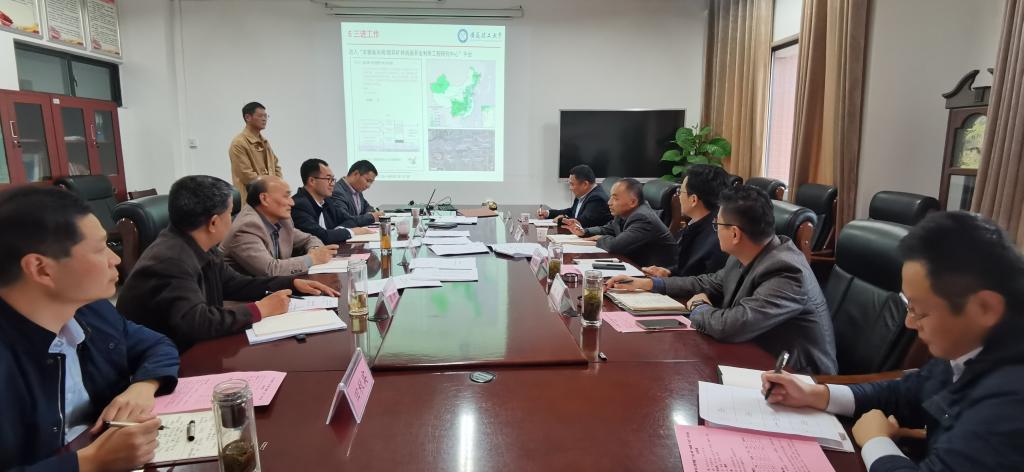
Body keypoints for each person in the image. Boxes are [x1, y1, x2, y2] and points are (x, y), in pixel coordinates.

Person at [762, 212, 1024, 471]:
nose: (909, 323)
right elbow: (906, 393)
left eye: (919, 311)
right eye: (908, 306)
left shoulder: (1010, 401)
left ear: (985, 308)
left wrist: (876, 441)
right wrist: (816, 394)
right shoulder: (971, 347)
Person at [0, 187, 179, 471]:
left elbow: (157, 345)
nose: (115, 259)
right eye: (99, 248)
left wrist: (143, 387)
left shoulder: (90, 310)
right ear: (41, 269)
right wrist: (91, 461)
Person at [607, 185, 836, 374]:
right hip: (750, 355)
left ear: (735, 233)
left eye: (717, 225)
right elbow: (707, 282)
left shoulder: (786, 271)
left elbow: (732, 326)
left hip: (796, 377)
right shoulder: (748, 252)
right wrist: (649, 283)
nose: (715, 231)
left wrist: (698, 307)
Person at [117, 175, 338, 351]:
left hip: (192, 348)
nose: (233, 221)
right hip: (165, 361)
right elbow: (197, 322)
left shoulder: (198, 245)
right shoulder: (170, 260)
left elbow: (235, 284)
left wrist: (291, 283)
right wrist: (259, 309)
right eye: (230, 214)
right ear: (213, 222)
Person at [221, 176, 338, 276]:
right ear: (264, 199)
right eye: (286, 196)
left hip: (275, 287)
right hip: (246, 294)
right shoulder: (247, 226)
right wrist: (312, 259)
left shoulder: (282, 220)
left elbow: (309, 239)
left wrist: (315, 251)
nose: (292, 202)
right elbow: (270, 270)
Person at [641, 164, 730, 278]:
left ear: (693, 200)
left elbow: (704, 283)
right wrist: (668, 272)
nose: (679, 197)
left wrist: (661, 283)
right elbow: (686, 268)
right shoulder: (697, 225)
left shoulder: (718, 239)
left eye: (680, 191)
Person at [563, 178, 675, 268]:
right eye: (611, 197)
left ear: (633, 202)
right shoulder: (624, 213)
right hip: (633, 264)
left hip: (656, 275)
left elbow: (615, 246)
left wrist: (600, 238)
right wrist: (584, 231)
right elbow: (608, 228)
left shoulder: (643, 218)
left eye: (615, 199)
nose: (609, 203)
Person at [291, 158, 375, 245]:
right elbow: (321, 236)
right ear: (312, 181)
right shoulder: (299, 205)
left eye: (333, 179)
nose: (333, 184)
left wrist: (337, 231)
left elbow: (349, 220)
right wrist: (352, 232)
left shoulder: (327, 201)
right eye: (329, 179)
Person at [229, 101, 283, 202]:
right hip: (250, 200)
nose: (264, 119)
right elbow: (246, 175)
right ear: (248, 117)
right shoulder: (238, 143)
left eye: (266, 116)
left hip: (268, 198)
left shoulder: (265, 142)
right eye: (260, 116)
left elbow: (276, 166)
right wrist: (270, 186)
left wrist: (278, 185)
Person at [537, 164, 612, 228]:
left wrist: (562, 220)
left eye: (572, 184)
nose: (570, 188)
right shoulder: (583, 194)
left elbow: (584, 222)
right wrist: (548, 213)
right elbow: (571, 211)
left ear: (585, 184)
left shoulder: (597, 198)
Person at [329, 160, 384, 227]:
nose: (368, 186)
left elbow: (367, 207)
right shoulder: (337, 192)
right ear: (356, 174)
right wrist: (371, 217)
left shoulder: (357, 190)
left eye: (371, 182)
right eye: (367, 180)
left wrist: (371, 213)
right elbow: (345, 220)